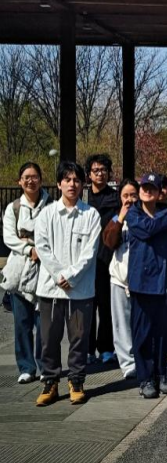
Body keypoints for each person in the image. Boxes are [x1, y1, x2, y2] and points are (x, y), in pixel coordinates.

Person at [33, 161, 102, 406]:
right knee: (48, 339)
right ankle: (50, 382)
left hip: (80, 290)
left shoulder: (91, 215)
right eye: (67, 179)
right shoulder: (47, 214)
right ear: (59, 183)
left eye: (76, 180)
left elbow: (90, 252)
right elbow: (42, 247)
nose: (72, 184)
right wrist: (58, 275)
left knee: (79, 339)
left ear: (82, 184)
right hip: (50, 289)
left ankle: (77, 381)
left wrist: (70, 276)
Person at [127, 174, 167, 399]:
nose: (147, 191)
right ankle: (145, 378)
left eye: (152, 188)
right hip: (142, 284)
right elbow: (146, 229)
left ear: (160, 192)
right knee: (142, 334)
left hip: (165, 283)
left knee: (163, 334)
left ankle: (161, 374)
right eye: (144, 187)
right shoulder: (134, 213)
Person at [2, 162, 51, 384]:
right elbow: (9, 238)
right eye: (26, 177)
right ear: (19, 182)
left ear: (41, 179)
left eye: (34, 176)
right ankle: (26, 367)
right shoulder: (13, 208)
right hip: (20, 270)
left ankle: (45, 365)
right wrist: (29, 249)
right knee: (22, 323)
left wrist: (40, 248)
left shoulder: (51, 205)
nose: (31, 181)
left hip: (45, 269)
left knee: (44, 323)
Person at [101, 178, 139, 380]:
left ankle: (142, 359)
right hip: (119, 279)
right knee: (121, 324)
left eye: (133, 195)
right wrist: (121, 217)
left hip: (141, 281)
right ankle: (128, 364)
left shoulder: (145, 217)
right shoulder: (116, 219)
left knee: (140, 323)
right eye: (125, 195)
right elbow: (109, 242)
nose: (129, 199)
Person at [85, 153, 119, 366]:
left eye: (104, 170)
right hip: (86, 261)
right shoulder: (83, 198)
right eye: (96, 170)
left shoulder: (116, 198)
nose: (100, 174)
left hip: (107, 258)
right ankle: (88, 349)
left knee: (106, 307)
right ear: (89, 174)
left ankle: (106, 348)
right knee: (87, 306)